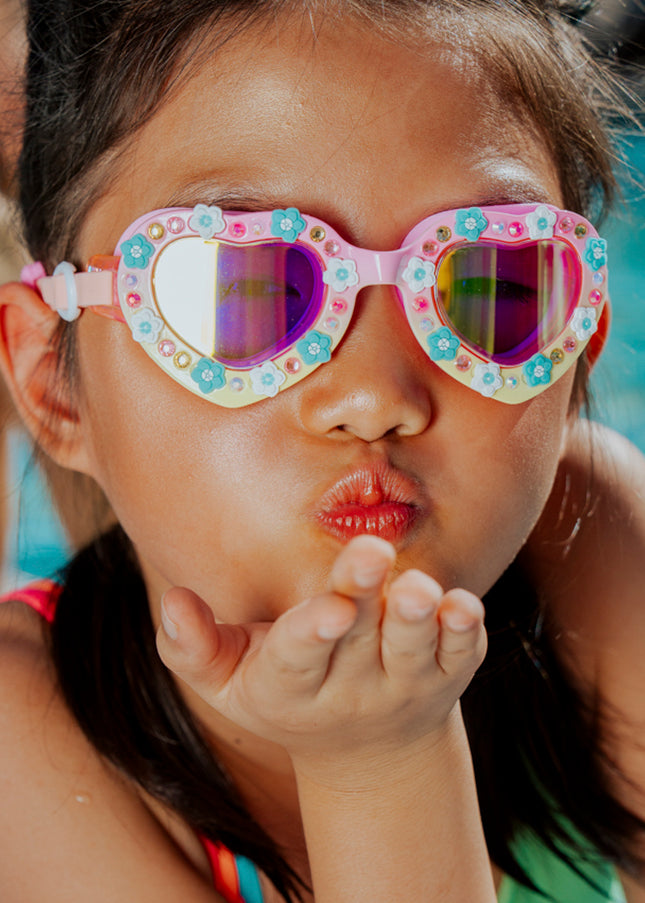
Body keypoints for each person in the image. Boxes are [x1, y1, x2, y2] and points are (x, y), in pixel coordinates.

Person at [0, 1, 643, 900]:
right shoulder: (20, 733)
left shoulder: (597, 541)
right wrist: (379, 760)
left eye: (490, 285)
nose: (374, 397)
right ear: (54, 383)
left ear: (576, 340)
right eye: (241, 290)